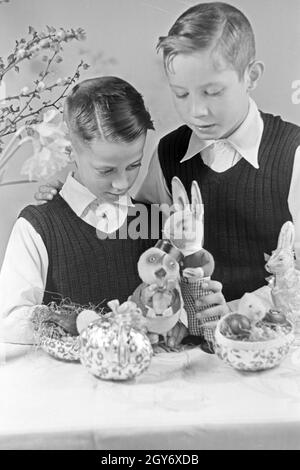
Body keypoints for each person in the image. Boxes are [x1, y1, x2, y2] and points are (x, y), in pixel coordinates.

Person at [36, 3, 300, 310]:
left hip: (271, 345)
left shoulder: (292, 154)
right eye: (181, 94)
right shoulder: (169, 152)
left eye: (212, 92)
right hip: (185, 345)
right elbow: (139, 230)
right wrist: (75, 190)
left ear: (251, 76)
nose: (196, 111)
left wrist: (238, 310)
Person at [0, 76, 226, 344]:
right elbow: (9, 321)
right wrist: (87, 324)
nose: (121, 183)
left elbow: (175, 307)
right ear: (71, 149)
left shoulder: (154, 223)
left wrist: (192, 317)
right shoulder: (38, 226)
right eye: (106, 170)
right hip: (69, 383)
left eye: (134, 166)